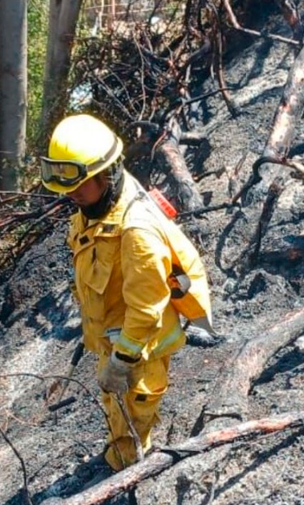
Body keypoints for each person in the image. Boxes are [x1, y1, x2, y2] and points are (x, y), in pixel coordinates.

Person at [41, 114, 212, 471]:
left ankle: (130, 472)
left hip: (138, 347)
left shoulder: (136, 232)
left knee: (132, 420)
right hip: (116, 335)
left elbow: (146, 310)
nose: (71, 194)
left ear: (107, 173)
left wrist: (123, 360)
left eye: (79, 185)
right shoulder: (99, 204)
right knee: (117, 410)